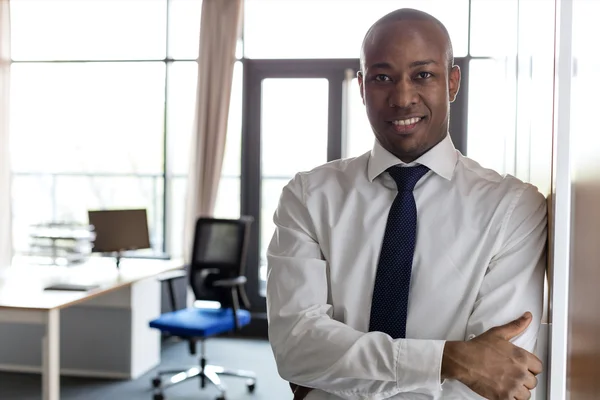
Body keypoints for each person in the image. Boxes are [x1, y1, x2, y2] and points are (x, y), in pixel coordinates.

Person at [266, 8, 547, 400]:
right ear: (362, 88)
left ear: (452, 82)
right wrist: (450, 361)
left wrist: (337, 371)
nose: (402, 97)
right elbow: (296, 347)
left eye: (423, 75)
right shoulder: (308, 196)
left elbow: (495, 377)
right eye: (382, 78)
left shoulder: (514, 208)